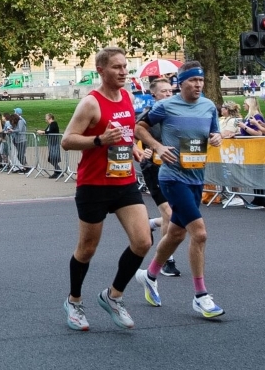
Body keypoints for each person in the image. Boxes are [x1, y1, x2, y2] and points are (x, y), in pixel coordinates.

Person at [61, 47, 151, 331]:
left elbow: (126, 130)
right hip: (94, 185)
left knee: (143, 241)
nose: (123, 72)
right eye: (116, 67)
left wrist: (133, 149)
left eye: (125, 66)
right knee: (87, 249)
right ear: (101, 70)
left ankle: (113, 296)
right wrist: (99, 140)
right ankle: (74, 301)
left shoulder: (128, 96)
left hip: (124, 182)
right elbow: (67, 140)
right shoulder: (90, 103)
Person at [134, 62, 225, 318]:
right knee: (200, 233)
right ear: (181, 83)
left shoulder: (208, 106)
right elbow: (139, 128)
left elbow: (213, 133)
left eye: (201, 81)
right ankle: (200, 296)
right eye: (192, 81)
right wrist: (158, 147)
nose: (198, 85)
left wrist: (217, 138)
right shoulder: (166, 106)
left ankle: (149, 275)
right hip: (172, 178)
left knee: (175, 234)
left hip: (196, 178)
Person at [135, 80, 181, 277]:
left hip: (177, 167)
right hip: (153, 167)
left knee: (181, 217)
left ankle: (152, 224)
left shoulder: (179, 113)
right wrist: (140, 150)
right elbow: (130, 135)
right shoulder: (148, 115)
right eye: (164, 91)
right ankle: (166, 261)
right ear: (154, 95)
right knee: (170, 215)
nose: (168, 94)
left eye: (170, 91)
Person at [38, 114, 62, 178]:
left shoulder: (54, 124)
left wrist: (42, 132)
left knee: (53, 158)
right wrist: (42, 132)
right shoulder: (50, 125)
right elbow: (47, 131)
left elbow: (50, 131)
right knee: (51, 158)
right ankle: (58, 170)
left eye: (46, 117)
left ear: (50, 118)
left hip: (54, 143)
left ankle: (58, 171)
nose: (45, 119)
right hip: (51, 143)